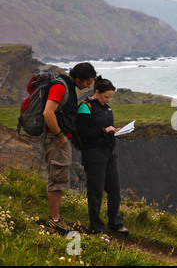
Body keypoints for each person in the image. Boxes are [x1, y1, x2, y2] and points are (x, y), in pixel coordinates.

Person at [43, 62, 96, 234]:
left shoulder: (67, 86)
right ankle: (54, 220)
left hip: (61, 138)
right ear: (79, 78)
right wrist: (59, 136)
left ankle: (56, 218)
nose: (88, 87)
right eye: (87, 83)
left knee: (59, 177)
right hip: (56, 138)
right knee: (57, 178)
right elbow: (48, 113)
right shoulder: (60, 87)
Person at [76, 76, 129, 236]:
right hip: (94, 154)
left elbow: (105, 128)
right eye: (106, 96)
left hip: (109, 152)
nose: (108, 100)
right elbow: (82, 132)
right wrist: (104, 131)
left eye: (110, 97)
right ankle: (96, 227)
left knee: (114, 189)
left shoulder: (107, 108)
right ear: (96, 92)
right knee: (96, 190)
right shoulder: (86, 107)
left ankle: (115, 223)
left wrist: (114, 130)